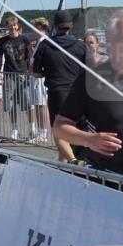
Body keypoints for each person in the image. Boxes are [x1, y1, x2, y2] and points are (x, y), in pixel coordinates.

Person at [54, 11, 123, 182]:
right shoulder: (91, 80)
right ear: (111, 42)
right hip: (106, 179)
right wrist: (88, 139)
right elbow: (59, 127)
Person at [32, 10, 87, 161]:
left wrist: (48, 72)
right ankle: (65, 162)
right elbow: (90, 70)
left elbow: (36, 72)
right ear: (70, 26)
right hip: (78, 94)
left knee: (59, 130)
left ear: (55, 26)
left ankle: (72, 161)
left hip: (57, 93)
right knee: (76, 129)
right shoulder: (81, 46)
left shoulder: (45, 45)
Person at [0, 16, 34, 140]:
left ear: (17, 26)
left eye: (14, 25)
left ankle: (32, 128)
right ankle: (14, 129)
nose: (12, 28)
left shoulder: (25, 39)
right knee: (10, 104)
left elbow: (31, 56)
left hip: (23, 74)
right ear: (7, 27)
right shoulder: (2, 41)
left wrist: (30, 71)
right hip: (8, 74)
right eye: (10, 26)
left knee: (27, 102)